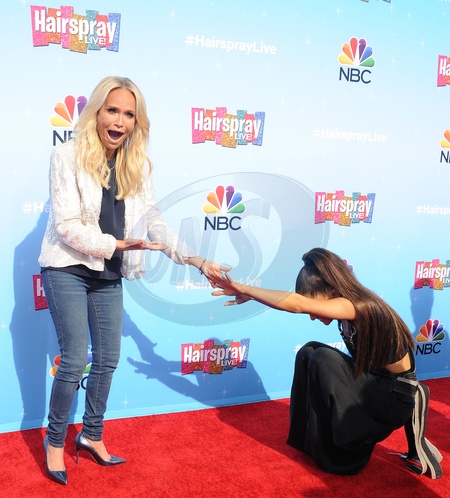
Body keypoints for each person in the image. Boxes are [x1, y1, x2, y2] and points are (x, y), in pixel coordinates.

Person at [39, 76, 229, 485]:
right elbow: (67, 225)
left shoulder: (137, 164)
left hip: (108, 271)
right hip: (67, 268)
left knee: (108, 359)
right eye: (113, 110)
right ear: (97, 112)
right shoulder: (66, 155)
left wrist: (195, 259)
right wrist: (116, 243)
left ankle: (91, 434)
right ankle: (54, 441)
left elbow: (153, 222)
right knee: (74, 358)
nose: (120, 121)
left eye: (129, 114)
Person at [210, 247, 442, 478]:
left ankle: (345, 454)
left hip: (393, 398)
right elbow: (299, 305)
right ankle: (310, 441)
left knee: (324, 358)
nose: (312, 315)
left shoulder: (357, 306)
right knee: (309, 352)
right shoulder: (348, 310)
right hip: (374, 383)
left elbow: (297, 304)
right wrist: (252, 296)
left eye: (313, 304)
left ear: (331, 290)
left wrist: (246, 289)